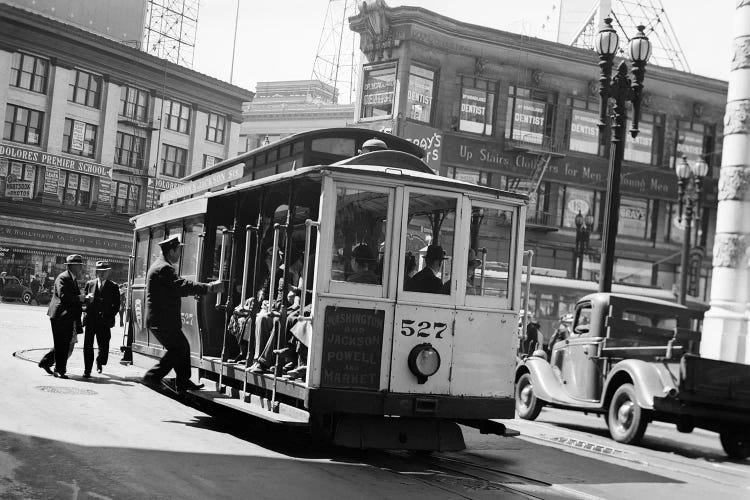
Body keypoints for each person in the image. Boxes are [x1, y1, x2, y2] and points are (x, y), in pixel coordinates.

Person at [142, 235, 223, 392]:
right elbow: (181, 285)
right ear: (171, 251)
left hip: (162, 320)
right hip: (162, 320)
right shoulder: (164, 268)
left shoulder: (161, 266)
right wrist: (209, 287)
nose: (180, 254)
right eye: (178, 250)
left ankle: (183, 381)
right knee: (178, 348)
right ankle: (152, 376)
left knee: (183, 347)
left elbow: (176, 289)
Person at [38, 254, 86, 379]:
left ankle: (46, 362)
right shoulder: (63, 277)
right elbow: (64, 296)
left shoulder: (72, 278)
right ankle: (59, 370)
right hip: (60, 316)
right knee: (62, 344)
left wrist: (83, 300)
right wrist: (79, 298)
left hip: (66, 317)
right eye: (79, 265)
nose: (81, 267)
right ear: (72, 266)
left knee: (63, 343)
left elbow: (71, 298)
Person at [81, 261, 121, 378]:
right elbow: (84, 302)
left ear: (108, 273)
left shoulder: (113, 286)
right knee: (88, 345)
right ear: (96, 272)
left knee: (104, 345)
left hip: (104, 321)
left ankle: (100, 361)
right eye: (100, 272)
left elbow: (117, 305)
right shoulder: (90, 284)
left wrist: (109, 316)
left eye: (104, 272)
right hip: (91, 320)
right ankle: (87, 369)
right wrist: (86, 303)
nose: (102, 274)